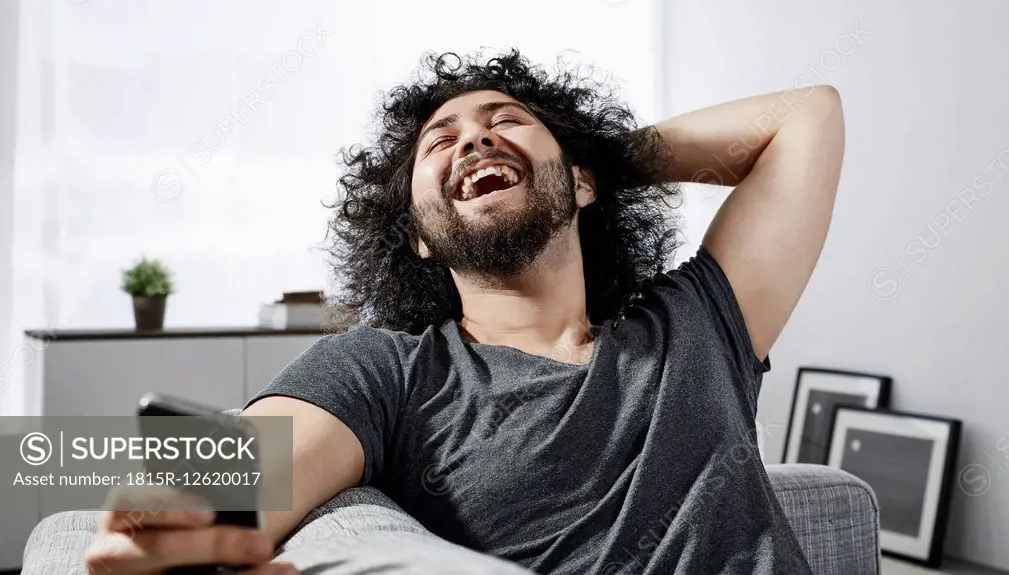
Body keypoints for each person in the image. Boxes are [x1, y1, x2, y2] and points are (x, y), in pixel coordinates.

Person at [85, 49, 845, 574]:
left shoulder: (696, 321)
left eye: (507, 121)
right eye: (438, 143)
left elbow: (808, 117)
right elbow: (233, 482)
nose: (474, 136)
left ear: (582, 188)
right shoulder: (389, 369)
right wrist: (170, 519)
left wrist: (593, 158)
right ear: (418, 237)